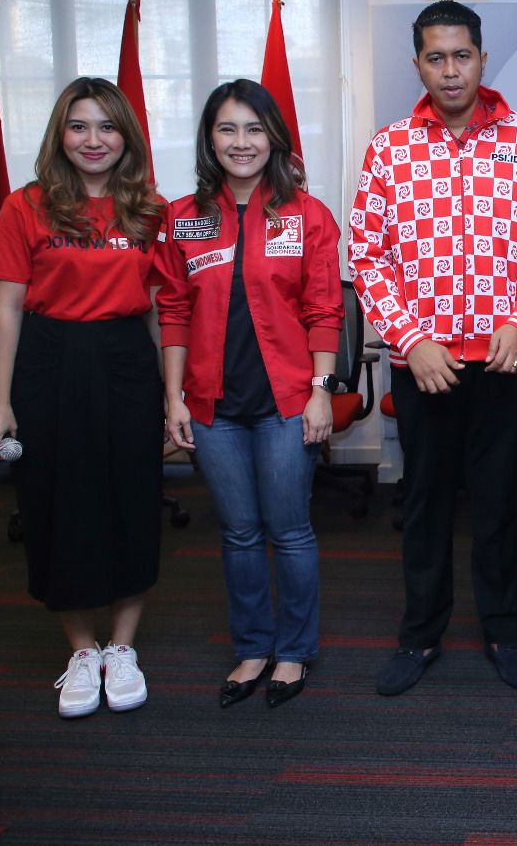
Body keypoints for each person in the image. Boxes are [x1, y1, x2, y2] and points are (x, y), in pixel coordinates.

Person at [351, 0, 517, 696]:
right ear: (418, 64)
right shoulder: (389, 148)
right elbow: (368, 256)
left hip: (508, 362)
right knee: (425, 504)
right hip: (425, 366)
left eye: (462, 56)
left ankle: (504, 631)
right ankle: (420, 635)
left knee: (498, 504)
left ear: (482, 58)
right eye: (436, 58)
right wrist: (411, 342)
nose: (450, 71)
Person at [0, 77, 165, 718]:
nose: (93, 139)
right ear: (60, 133)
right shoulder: (25, 206)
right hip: (49, 362)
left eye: (107, 126)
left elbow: (159, 311)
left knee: (132, 501)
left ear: (126, 137)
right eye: (79, 126)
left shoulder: (149, 209)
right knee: (56, 504)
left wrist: (172, 396)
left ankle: (122, 647)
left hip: (126, 363)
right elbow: (7, 310)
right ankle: (82, 651)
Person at [155, 80, 343, 710]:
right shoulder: (183, 218)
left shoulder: (306, 215)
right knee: (238, 533)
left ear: (274, 138)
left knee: (288, 531)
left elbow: (324, 311)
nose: (242, 142)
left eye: (254, 129)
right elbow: (173, 312)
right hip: (213, 408)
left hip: (286, 402)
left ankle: (294, 651)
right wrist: (174, 397)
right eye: (228, 129)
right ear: (210, 139)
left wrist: (320, 391)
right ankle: (253, 647)